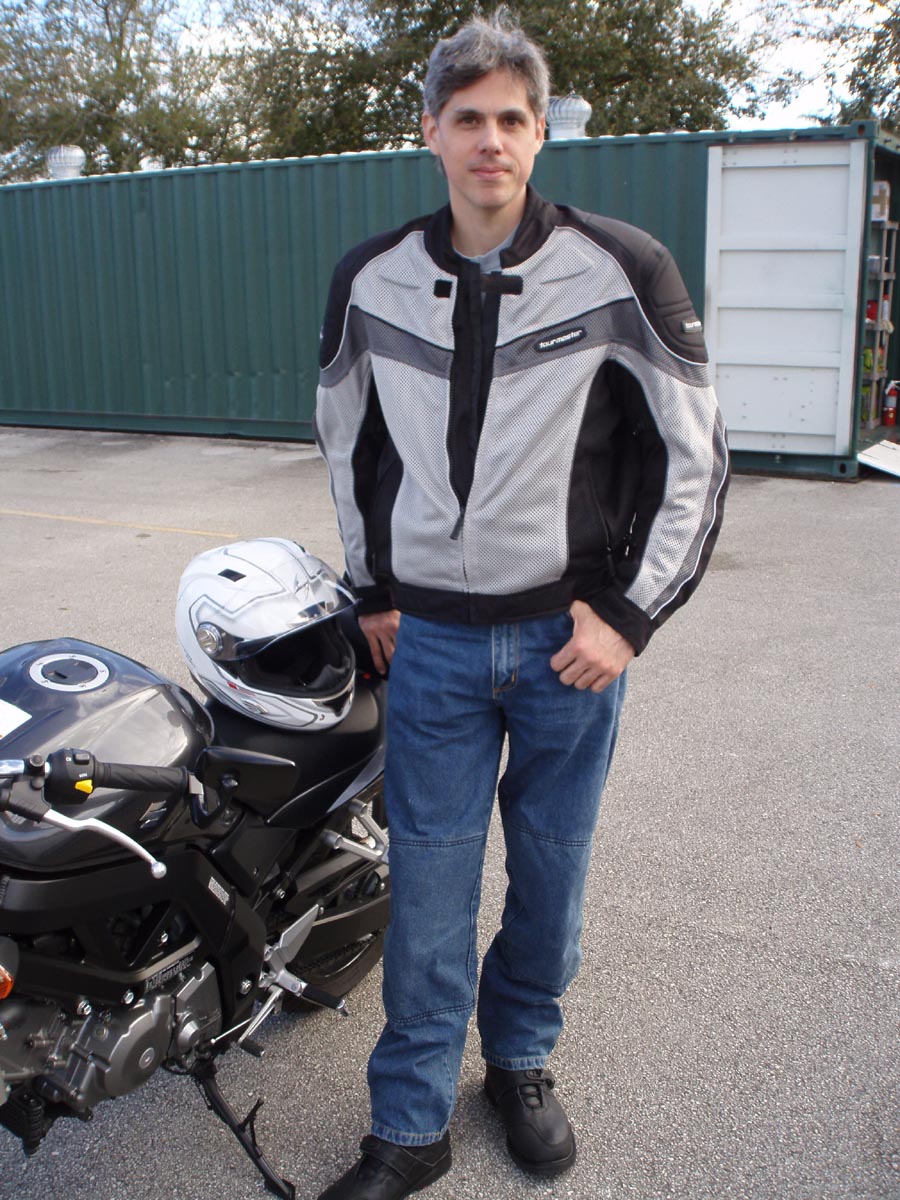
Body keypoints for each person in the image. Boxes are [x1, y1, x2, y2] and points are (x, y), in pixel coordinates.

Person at [313, 12, 728, 1199]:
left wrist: (627, 617)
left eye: (511, 118)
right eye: (468, 118)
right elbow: (348, 442)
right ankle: (409, 1127)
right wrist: (372, 590)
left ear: (541, 133)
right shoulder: (373, 279)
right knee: (428, 895)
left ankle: (521, 1063)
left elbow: (697, 457)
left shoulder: (620, 267)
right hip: (432, 648)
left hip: (566, 650)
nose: (489, 139)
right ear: (430, 132)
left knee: (550, 880)